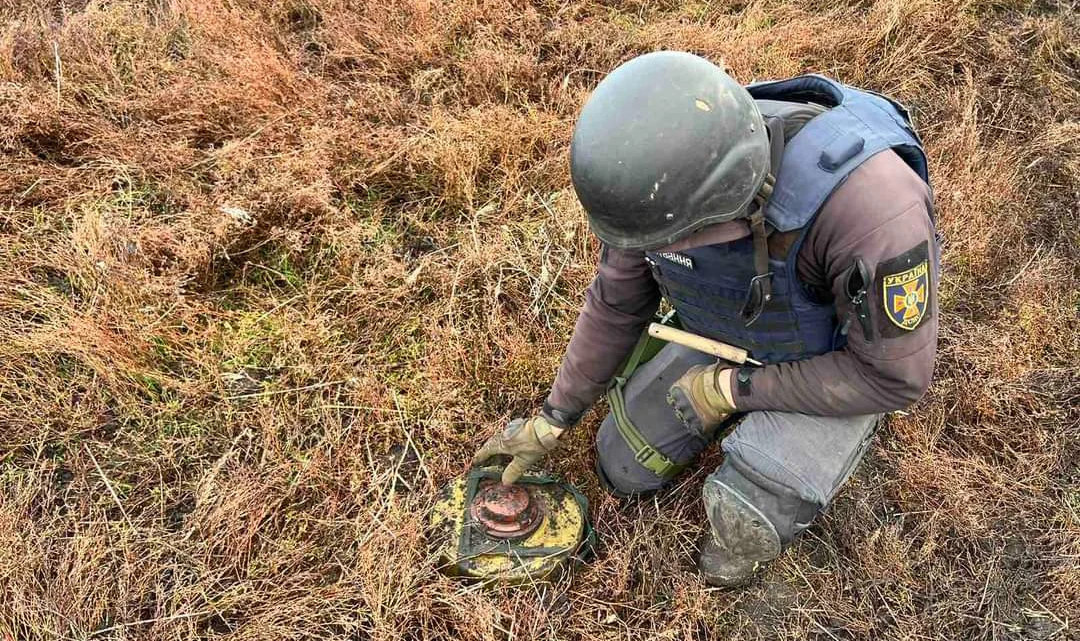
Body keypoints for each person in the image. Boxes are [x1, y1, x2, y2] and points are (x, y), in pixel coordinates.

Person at [472, 51, 939, 587]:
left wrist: (728, 391)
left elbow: (894, 377)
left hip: (835, 360)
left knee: (744, 517)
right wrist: (554, 417)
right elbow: (617, 301)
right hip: (731, 326)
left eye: (672, 241)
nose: (660, 250)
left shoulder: (872, 208)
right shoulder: (657, 192)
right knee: (621, 466)